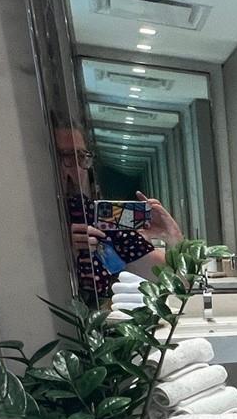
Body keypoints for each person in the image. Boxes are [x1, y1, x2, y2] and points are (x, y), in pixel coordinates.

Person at [54, 126, 183, 300]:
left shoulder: (98, 220)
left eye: (81, 157)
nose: (76, 170)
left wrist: (172, 236)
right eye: (66, 157)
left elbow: (178, 282)